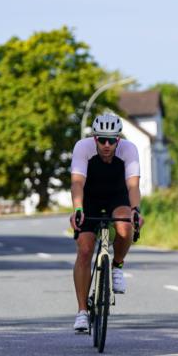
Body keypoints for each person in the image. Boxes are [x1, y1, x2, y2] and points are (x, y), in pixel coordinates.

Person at [68, 113, 144, 332]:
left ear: (118, 139)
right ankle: (82, 312)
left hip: (117, 197)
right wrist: (78, 209)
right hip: (89, 199)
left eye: (112, 140)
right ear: (95, 138)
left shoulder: (129, 149)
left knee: (125, 226)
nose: (107, 145)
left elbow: (133, 186)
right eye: (102, 140)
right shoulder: (82, 148)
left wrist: (135, 210)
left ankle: (117, 265)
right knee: (85, 250)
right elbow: (77, 183)